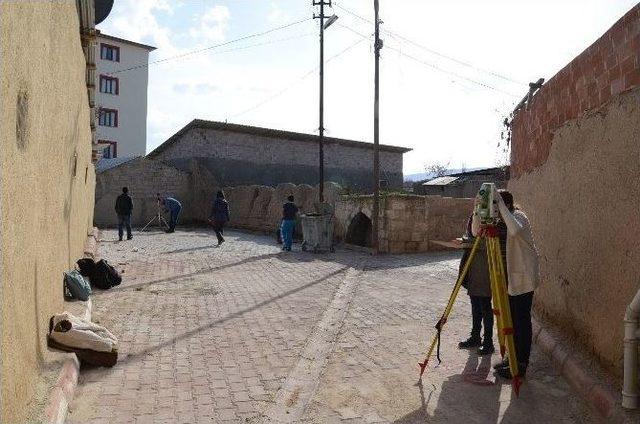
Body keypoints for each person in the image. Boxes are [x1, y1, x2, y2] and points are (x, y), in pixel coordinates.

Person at [483, 189, 539, 379]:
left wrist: (498, 201)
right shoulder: (500, 221)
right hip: (508, 278)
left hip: (523, 278)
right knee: (512, 319)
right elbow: (476, 231)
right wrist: (478, 208)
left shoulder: (519, 217)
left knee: (521, 321)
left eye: (497, 206)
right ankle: (511, 358)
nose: (495, 211)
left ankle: (521, 363)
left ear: (505, 205)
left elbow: (514, 230)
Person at [458, 209, 507, 356]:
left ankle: (488, 342)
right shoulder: (475, 215)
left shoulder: (497, 223)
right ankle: (475, 336)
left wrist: (468, 242)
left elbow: (489, 243)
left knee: (485, 307)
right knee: (475, 304)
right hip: (474, 268)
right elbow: (474, 235)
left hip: (486, 268)